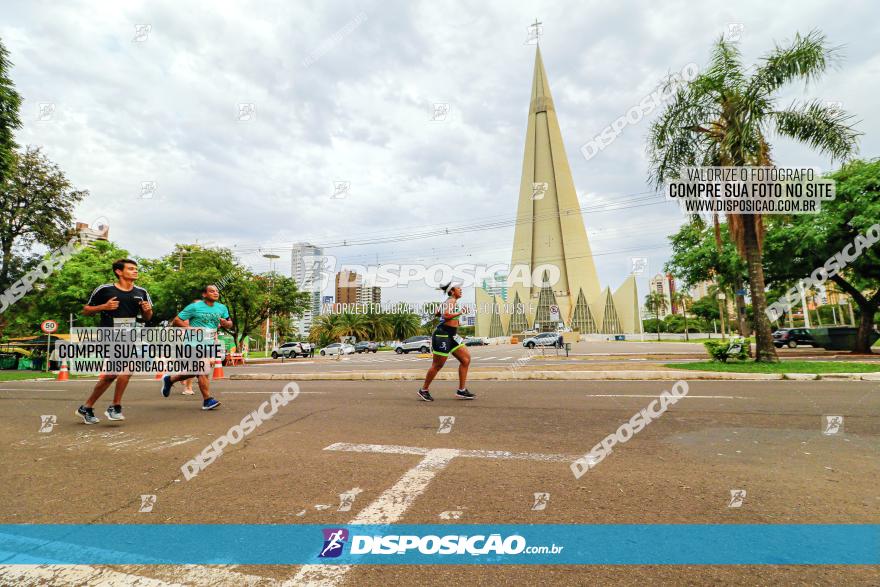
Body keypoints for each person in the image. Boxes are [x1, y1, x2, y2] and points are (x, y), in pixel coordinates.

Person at [76, 259, 153, 424]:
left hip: (131, 335)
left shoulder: (141, 292)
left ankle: (98, 407)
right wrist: (103, 307)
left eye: (136, 269)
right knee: (117, 372)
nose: (135, 271)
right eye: (131, 269)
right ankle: (103, 407)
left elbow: (147, 317)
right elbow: (86, 310)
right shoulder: (104, 290)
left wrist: (147, 311)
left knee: (120, 372)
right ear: (119, 271)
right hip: (110, 334)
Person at [160, 285, 231, 410]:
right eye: (212, 291)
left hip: (209, 344)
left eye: (217, 291)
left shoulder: (222, 308)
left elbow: (229, 322)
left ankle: (170, 379)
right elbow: (176, 321)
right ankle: (207, 400)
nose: (215, 293)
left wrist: (227, 323)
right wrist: (191, 329)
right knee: (203, 369)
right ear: (204, 294)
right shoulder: (194, 307)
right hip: (193, 344)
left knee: (194, 371)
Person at [418, 282, 475, 401]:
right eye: (458, 288)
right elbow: (446, 314)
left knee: (465, 359)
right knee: (438, 365)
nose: (461, 290)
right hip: (442, 335)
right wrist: (460, 312)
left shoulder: (449, 301)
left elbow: (438, 312)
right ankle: (424, 390)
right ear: (452, 291)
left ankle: (461, 390)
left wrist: (455, 321)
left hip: (452, 335)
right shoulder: (451, 301)